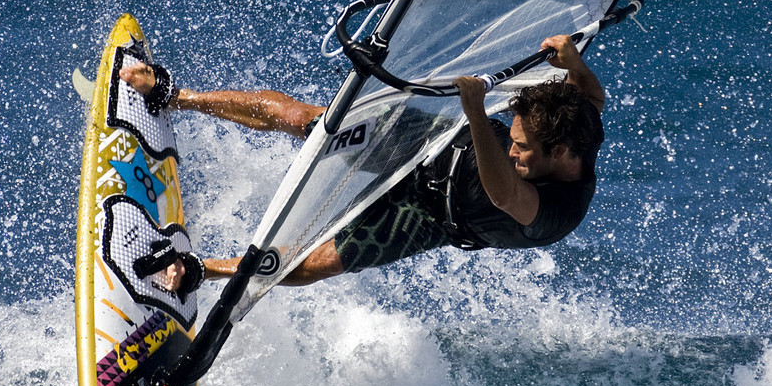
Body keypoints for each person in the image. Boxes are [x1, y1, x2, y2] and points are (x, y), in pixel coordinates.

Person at [120, 35, 606, 294]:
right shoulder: (579, 126)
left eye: (521, 148)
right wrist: (574, 63)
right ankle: (174, 96)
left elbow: (502, 194)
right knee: (310, 120)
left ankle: (201, 270)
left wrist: (476, 110)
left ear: (562, 155)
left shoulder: (557, 212)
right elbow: (591, 98)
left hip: (433, 217)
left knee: (316, 263)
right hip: (434, 145)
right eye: (513, 139)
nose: (513, 150)